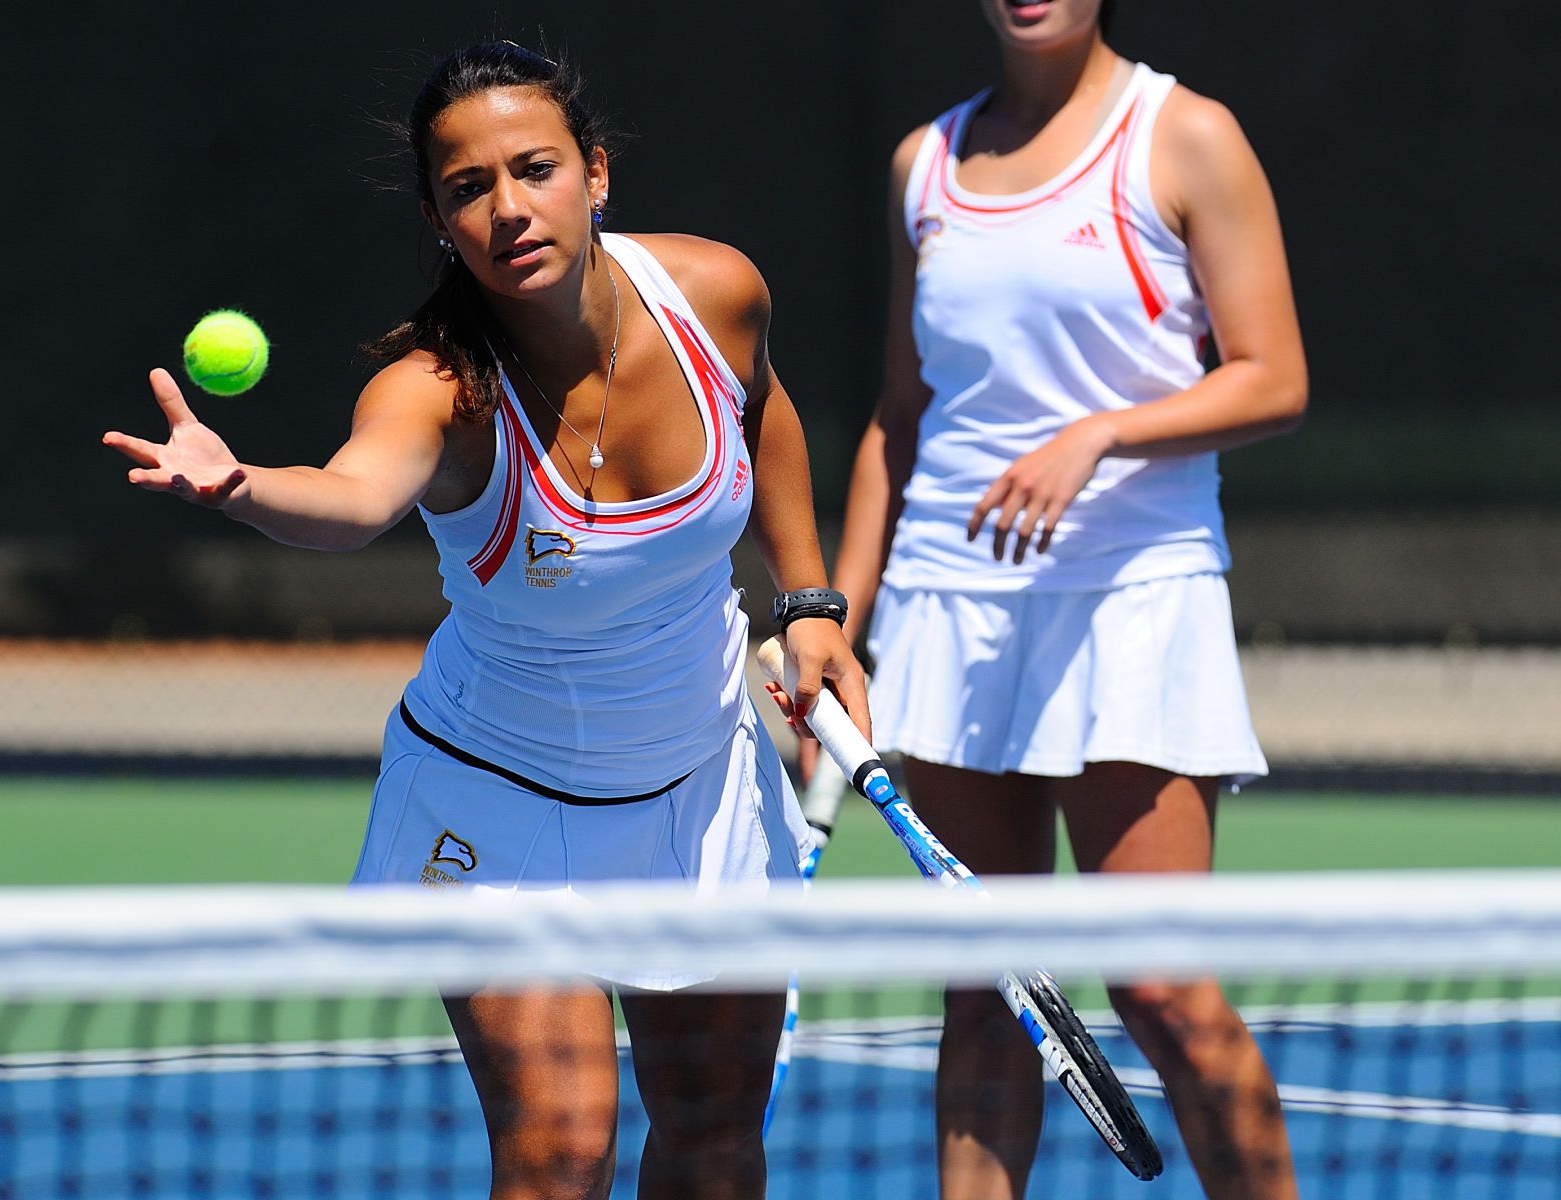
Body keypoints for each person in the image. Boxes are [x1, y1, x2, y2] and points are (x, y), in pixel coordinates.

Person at [103, 40, 869, 1200]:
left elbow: (763, 415)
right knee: (559, 1153)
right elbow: (355, 497)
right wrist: (246, 488)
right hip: (498, 803)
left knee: (717, 1139)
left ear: (595, 172)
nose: (509, 207)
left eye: (536, 169)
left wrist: (809, 601)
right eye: (469, 188)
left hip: (703, 778)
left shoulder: (716, 292)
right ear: (438, 215)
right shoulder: (438, 389)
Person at [826, 1, 1307, 1196]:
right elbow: (900, 413)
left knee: (1163, 990)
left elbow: (1275, 376)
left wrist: (1101, 433)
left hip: (1132, 596)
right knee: (990, 998)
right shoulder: (923, 166)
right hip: (949, 601)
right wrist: (834, 611)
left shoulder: (1185, 134)